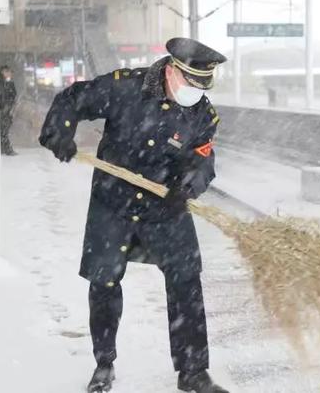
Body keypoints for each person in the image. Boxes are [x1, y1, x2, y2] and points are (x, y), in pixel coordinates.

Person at [39, 37, 228, 393]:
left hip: (164, 207)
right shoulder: (125, 87)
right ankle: (104, 364)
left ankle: (193, 372)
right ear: (172, 71)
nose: (197, 93)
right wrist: (59, 131)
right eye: (192, 83)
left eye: (204, 86)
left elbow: (203, 158)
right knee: (104, 282)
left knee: (187, 279)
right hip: (114, 203)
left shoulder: (203, 113)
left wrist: (186, 187)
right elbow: (72, 99)